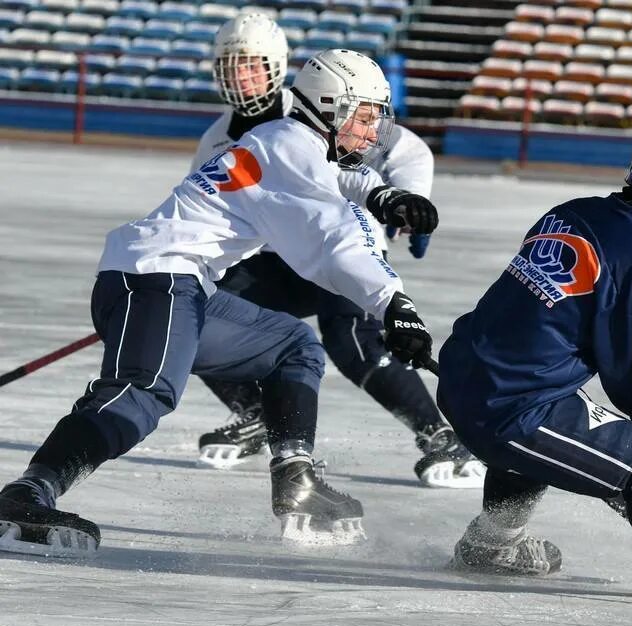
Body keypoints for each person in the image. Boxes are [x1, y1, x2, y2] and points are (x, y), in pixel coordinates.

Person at [0, 48, 438, 557]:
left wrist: (385, 196)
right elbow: (337, 241)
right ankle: (29, 493)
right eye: (364, 116)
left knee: (293, 345)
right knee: (144, 395)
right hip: (159, 278)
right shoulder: (288, 147)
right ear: (329, 107)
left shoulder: (288, 141)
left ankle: (296, 477)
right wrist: (395, 305)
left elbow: (340, 177)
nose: (373, 130)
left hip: (171, 281)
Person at [436, 126, 632, 602]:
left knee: (538, 445)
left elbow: (598, 310)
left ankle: (492, 543)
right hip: (513, 407)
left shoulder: (574, 213)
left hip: (467, 376)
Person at [191, 12, 484, 489]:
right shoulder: (216, 139)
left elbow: (406, 150)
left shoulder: (319, 105)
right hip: (274, 260)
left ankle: (438, 434)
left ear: (277, 67)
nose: (242, 77)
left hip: (339, 245)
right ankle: (255, 414)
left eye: (252, 65)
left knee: (353, 339)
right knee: (195, 313)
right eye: (232, 66)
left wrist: (410, 200)